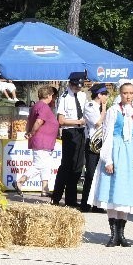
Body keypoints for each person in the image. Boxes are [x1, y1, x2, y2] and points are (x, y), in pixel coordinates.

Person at [90, 80, 133, 247]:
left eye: (131, 93)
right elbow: (107, 135)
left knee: (125, 192)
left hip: (132, 153)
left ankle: (122, 234)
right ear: (120, 94)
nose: (128, 96)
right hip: (116, 150)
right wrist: (108, 159)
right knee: (112, 190)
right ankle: (113, 233)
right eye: (125, 93)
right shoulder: (113, 111)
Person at [13, 85, 59, 197]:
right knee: (39, 165)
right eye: (52, 96)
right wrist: (32, 132)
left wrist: (28, 132)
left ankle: (45, 189)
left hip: (43, 141)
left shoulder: (36, 106)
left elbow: (29, 121)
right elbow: (39, 121)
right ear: (49, 95)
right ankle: (20, 181)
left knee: (46, 165)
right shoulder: (43, 107)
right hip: (42, 141)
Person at [51, 71, 87, 207]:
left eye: (80, 86)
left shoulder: (83, 96)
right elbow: (61, 120)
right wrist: (78, 122)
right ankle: (56, 196)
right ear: (71, 84)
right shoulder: (64, 97)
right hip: (70, 131)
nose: (78, 88)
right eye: (76, 86)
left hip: (81, 131)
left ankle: (71, 200)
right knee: (66, 165)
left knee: (77, 166)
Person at [80, 83, 108, 213]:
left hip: (103, 143)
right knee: (91, 174)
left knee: (101, 174)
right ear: (99, 95)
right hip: (93, 143)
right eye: (105, 94)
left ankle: (97, 204)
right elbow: (97, 122)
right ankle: (85, 203)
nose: (107, 97)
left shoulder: (103, 107)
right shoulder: (90, 106)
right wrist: (104, 109)